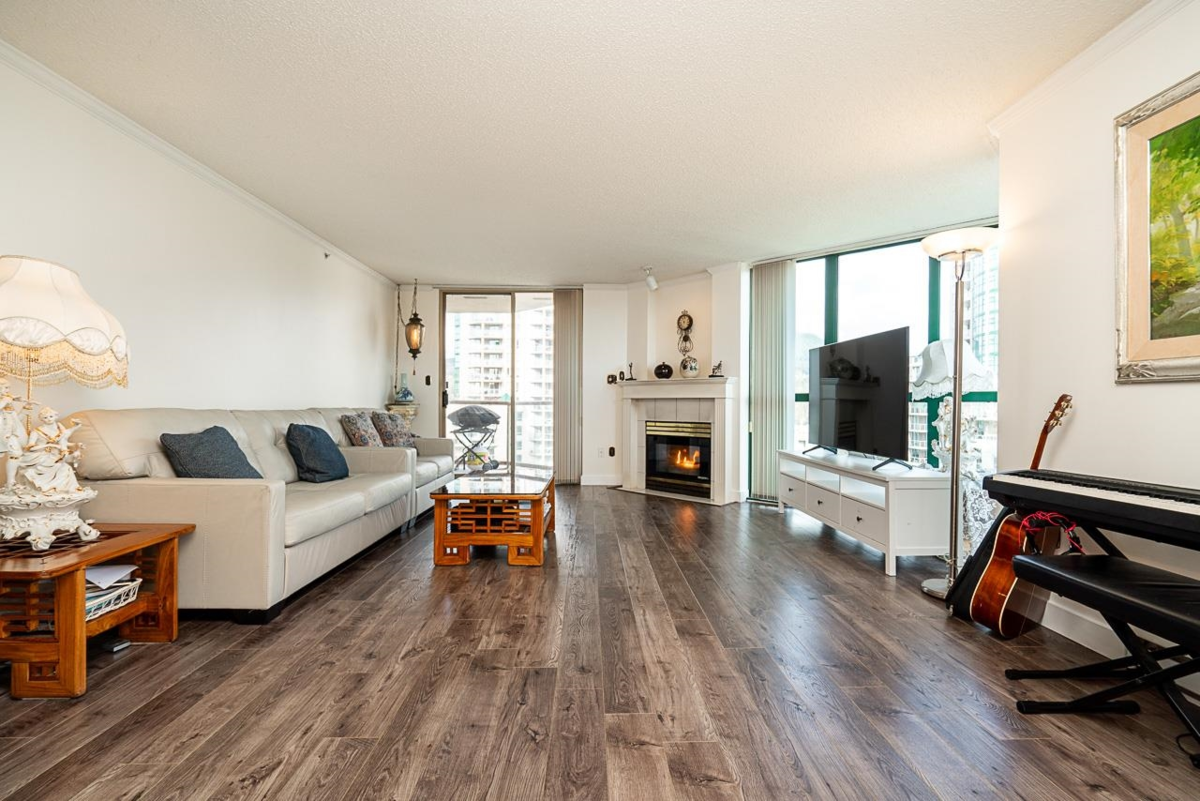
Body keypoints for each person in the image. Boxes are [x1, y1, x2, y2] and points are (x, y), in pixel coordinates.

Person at [18, 407, 83, 495]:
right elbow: (30, 448)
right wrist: (49, 445)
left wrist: (76, 444)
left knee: (66, 468)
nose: (49, 419)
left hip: (56, 455)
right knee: (57, 466)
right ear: (41, 419)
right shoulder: (37, 431)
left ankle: (61, 490)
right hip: (42, 456)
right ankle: (45, 488)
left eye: (51, 416)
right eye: (45, 417)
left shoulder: (59, 428)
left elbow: (64, 440)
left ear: (56, 416)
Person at [0, 384, 26, 489]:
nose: (8, 390)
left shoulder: (8, 403)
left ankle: (11, 482)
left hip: (11, 433)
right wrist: (4, 401)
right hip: (2, 432)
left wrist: (26, 409)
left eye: (8, 387)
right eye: (5, 387)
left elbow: (16, 420)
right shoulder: (5, 401)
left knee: (16, 454)